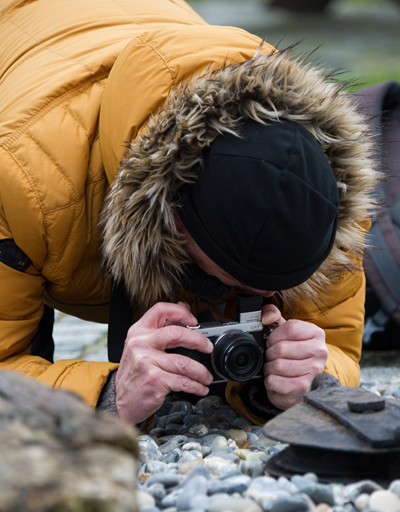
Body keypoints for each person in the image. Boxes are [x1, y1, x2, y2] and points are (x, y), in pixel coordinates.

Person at [0, 0, 377, 428]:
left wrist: (307, 382)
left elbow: (338, 351)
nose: (240, 302)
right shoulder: (21, 180)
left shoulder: (322, 193)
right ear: (172, 219)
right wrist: (110, 395)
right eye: (220, 283)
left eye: (267, 293)